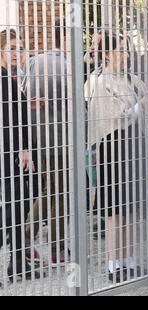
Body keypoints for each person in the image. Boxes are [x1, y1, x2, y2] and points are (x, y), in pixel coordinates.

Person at [85, 31, 148, 282]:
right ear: (106, 56)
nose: (126, 55)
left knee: (132, 208)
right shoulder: (99, 81)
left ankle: (129, 261)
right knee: (115, 210)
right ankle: (114, 266)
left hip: (135, 147)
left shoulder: (132, 79)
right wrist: (144, 102)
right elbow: (116, 118)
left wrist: (147, 99)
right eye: (121, 51)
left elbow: (138, 111)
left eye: (127, 50)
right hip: (112, 148)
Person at [23, 19, 69, 265]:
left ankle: (29, 239)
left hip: (38, 140)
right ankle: (54, 248)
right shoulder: (69, 65)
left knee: (50, 190)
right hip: (62, 142)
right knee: (59, 194)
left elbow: (21, 99)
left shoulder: (34, 61)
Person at [0, 29, 40, 280]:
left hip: (12, 148)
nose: (17, 53)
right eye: (12, 48)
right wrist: (23, 149)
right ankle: (16, 258)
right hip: (9, 150)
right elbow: (8, 120)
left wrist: (28, 103)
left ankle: (17, 261)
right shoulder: (3, 78)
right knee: (24, 195)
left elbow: (14, 111)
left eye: (20, 48)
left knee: (22, 198)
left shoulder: (9, 77)